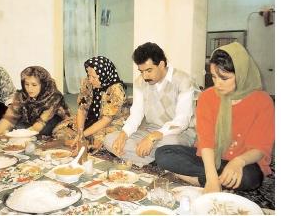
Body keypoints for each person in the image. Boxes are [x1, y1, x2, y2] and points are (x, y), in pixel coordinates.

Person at [155, 42, 275, 192]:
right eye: (213, 77)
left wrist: (238, 162)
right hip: (210, 159)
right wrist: (211, 177)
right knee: (162, 154)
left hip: (244, 161)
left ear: (242, 74)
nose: (217, 84)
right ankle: (215, 178)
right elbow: (206, 142)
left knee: (251, 178)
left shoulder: (262, 101)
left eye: (224, 78)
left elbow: (260, 147)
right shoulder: (207, 97)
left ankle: (195, 178)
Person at [104, 42, 199, 167]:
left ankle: (145, 158)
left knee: (170, 144)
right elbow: (136, 114)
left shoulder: (183, 81)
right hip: (150, 130)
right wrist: (124, 134)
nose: (145, 76)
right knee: (110, 139)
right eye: (141, 71)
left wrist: (152, 138)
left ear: (161, 64)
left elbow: (182, 121)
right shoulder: (140, 82)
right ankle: (157, 160)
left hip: (179, 133)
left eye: (149, 70)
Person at [52, 56, 129, 154]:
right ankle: (80, 143)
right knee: (61, 129)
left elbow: (107, 120)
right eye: (89, 75)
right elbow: (82, 109)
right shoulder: (87, 82)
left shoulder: (115, 89)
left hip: (111, 121)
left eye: (94, 77)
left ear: (104, 75)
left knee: (102, 139)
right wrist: (80, 131)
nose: (90, 79)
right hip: (91, 117)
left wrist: (83, 134)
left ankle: (85, 145)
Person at [0, 66, 70, 144]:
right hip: (32, 122)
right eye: (26, 84)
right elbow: (9, 118)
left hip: (50, 122)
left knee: (44, 130)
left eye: (34, 85)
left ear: (43, 85)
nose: (29, 89)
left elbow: (40, 123)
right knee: (16, 126)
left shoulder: (54, 96)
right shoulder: (21, 95)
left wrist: (22, 136)